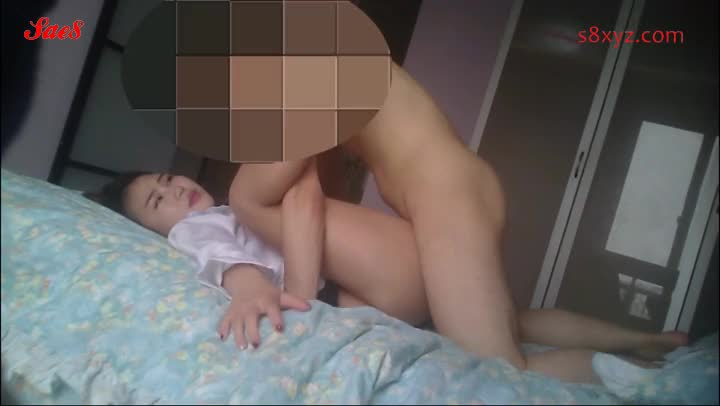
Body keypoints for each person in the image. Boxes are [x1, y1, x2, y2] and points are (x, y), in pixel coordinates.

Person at [90, 150, 685, 383]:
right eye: (158, 201)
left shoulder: (238, 200)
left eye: (167, 179)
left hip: (393, 271)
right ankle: (646, 343)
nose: (175, 191)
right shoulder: (196, 229)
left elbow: (298, 193)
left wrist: (285, 289)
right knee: (515, 321)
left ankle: (642, 374)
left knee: (506, 359)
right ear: (154, 232)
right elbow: (227, 261)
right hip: (430, 230)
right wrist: (250, 290)